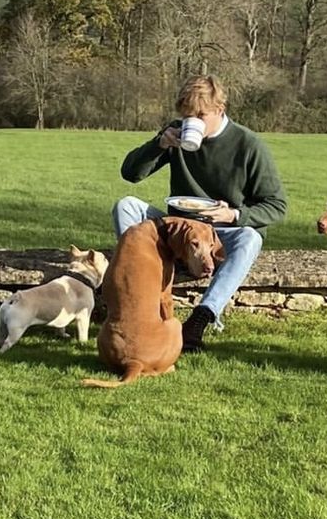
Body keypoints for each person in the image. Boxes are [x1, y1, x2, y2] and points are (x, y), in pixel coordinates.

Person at [112, 74, 287, 352]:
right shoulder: (175, 133)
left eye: (201, 115)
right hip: (179, 229)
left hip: (222, 231)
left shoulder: (247, 145)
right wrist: (158, 145)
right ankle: (141, 287)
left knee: (250, 238)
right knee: (126, 206)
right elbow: (130, 174)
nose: (192, 122)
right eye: (186, 115)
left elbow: (277, 205)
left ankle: (202, 317)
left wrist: (234, 215)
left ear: (220, 109)